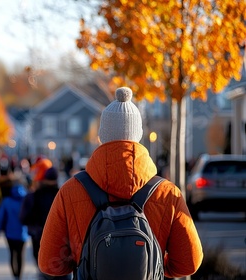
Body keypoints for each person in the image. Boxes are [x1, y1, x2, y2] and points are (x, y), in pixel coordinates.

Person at [38, 87, 203, 278]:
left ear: (101, 136)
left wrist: (84, 261)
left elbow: (48, 262)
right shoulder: (167, 193)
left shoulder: (71, 191)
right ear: (139, 135)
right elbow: (189, 262)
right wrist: (152, 266)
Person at [20, 167, 72, 280]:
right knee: (62, 271)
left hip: (39, 238)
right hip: (61, 239)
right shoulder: (63, 195)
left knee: (44, 270)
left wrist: (35, 228)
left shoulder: (33, 196)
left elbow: (24, 218)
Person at [0, 183, 29, 280]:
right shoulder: (26, 200)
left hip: (10, 232)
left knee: (12, 253)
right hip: (23, 233)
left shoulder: (7, 201)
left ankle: (15, 274)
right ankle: (19, 274)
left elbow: (1, 217)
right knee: (20, 254)